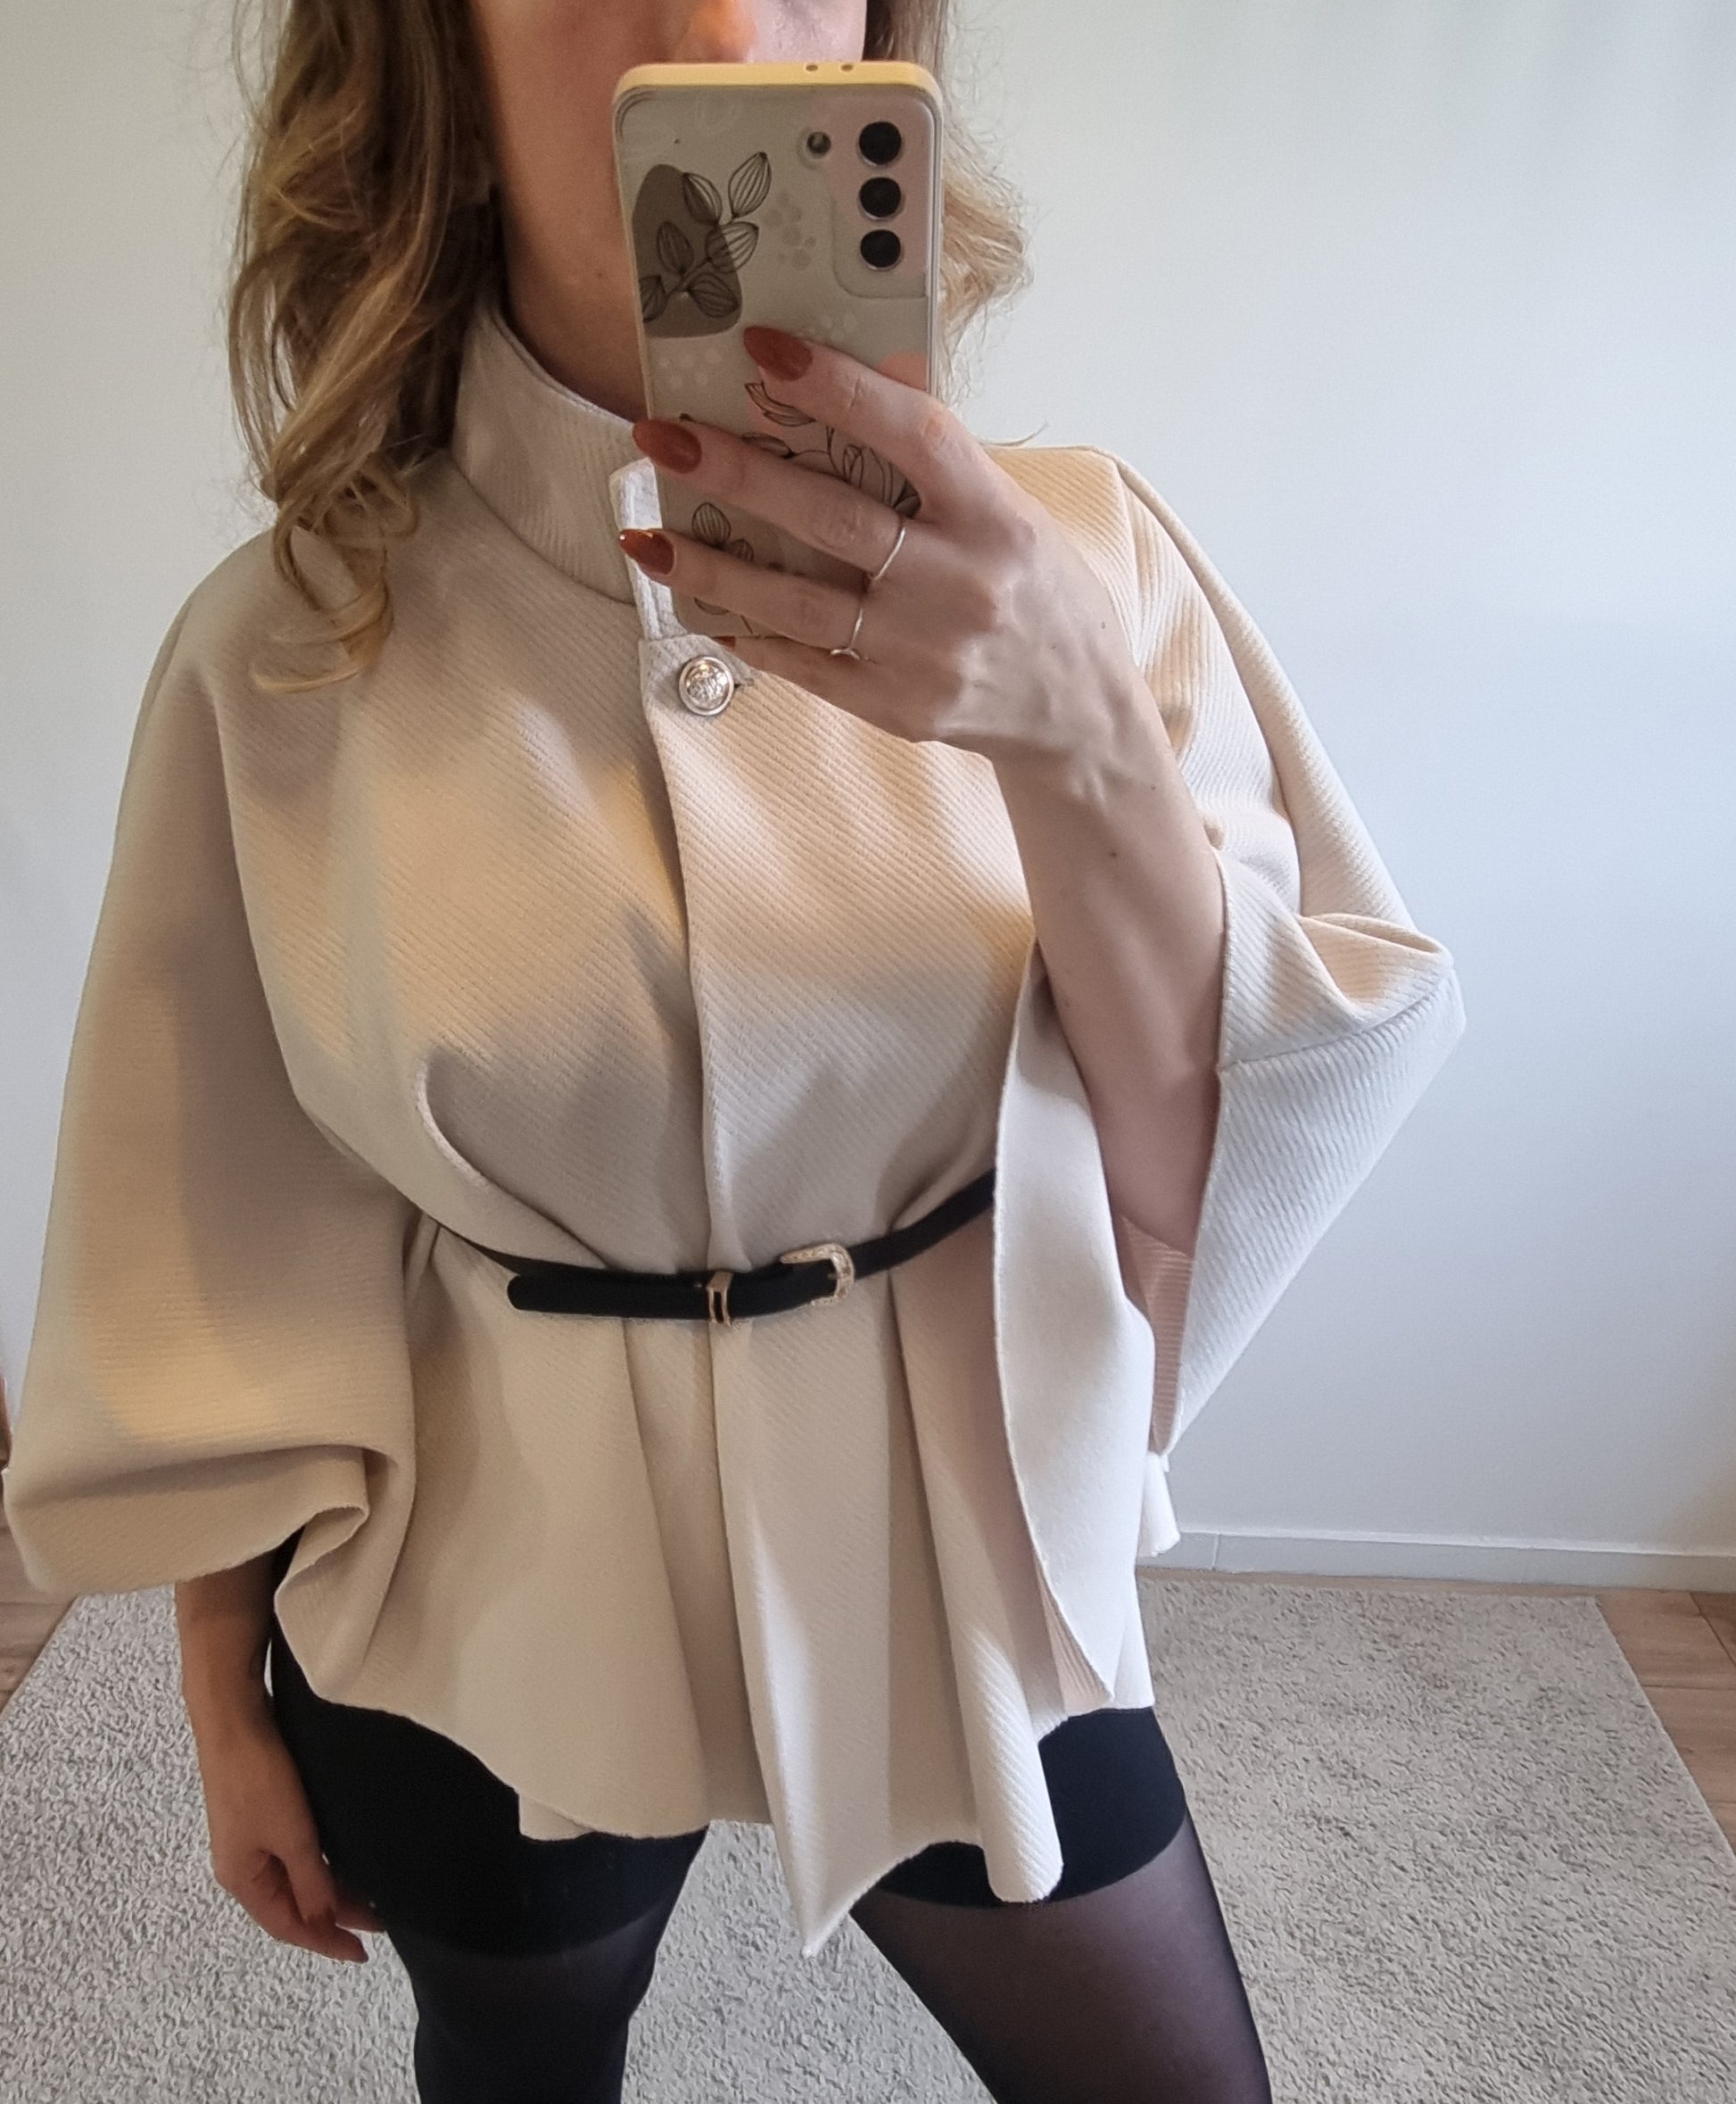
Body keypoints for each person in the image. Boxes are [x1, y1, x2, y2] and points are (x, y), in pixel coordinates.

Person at [2, 2, 1467, 2100]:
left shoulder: (1075, 564)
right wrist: (223, 1688)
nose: (714, 24)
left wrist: (1069, 725)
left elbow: (1212, 1159)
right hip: (489, 1572)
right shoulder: (287, 644)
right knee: (516, 2059)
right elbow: (219, 1211)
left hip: (945, 1525)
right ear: (430, 64)